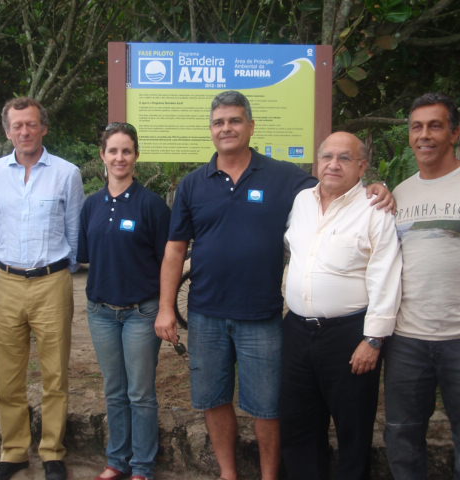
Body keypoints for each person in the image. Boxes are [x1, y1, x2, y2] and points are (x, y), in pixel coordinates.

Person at [154, 90, 394, 480]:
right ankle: (228, 473)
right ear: (211, 131)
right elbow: (174, 250)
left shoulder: (284, 177)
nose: (226, 128)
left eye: (234, 120)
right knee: (213, 400)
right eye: (219, 122)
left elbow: (337, 184)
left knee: (267, 406)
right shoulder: (194, 184)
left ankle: (269, 475)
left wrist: (377, 188)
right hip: (205, 315)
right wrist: (167, 307)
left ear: (250, 126)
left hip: (262, 316)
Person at [384, 93, 460, 479]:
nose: (425, 135)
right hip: (406, 340)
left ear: (454, 133)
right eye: (417, 127)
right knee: (402, 443)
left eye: (435, 126)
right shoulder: (400, 194)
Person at [280, 132, 402, 479]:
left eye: (344, 158)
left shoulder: (374, 208)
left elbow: (386, 274)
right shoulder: (302, 200)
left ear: (362, 165)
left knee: (353, 427)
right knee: (299, 424)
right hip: (298, 330)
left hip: (350, 335)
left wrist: (374, 339)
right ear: (317, 162)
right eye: (327, 156)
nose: (333, 164)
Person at [0, 97, 85, 480]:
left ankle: (53, 451)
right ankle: (13, 452)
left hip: (52, 282)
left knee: (55, 374)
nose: (24, 131)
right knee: (8, 375)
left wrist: (62, 269)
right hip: (7, 282)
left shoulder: (66, 173)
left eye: (31, 124)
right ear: (7, 131)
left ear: (43, 128)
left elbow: (74, 230)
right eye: (17, 126)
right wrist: (4, 265)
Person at [78, 122, 170, 480]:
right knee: (114, 391)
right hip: (100, 313)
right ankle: (117, 460)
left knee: (140, 393)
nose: (119, 157)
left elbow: (168, 262)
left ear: (136, 156)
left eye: (126, 151)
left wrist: (165, 309)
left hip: (140, 314)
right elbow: (86, 257)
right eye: (113, 151)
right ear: (103, 155)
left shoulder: (152, 206)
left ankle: (142, 466)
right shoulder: (91, 206)